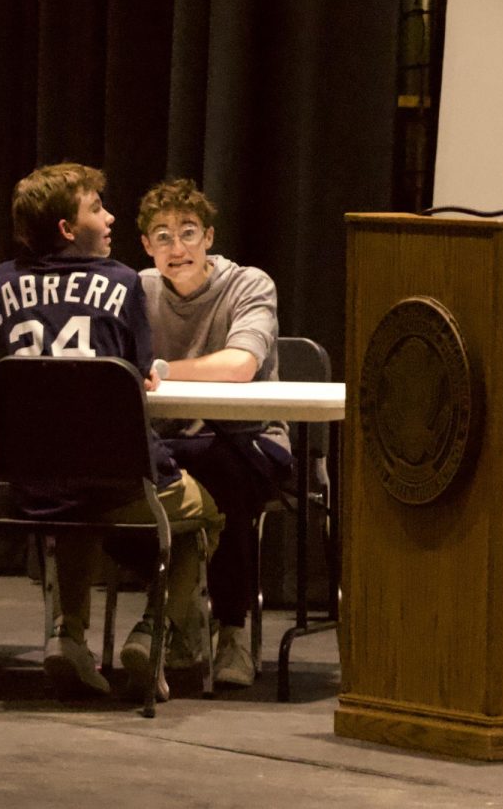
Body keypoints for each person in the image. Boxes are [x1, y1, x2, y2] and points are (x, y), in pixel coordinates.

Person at [0, 162, 224, 701]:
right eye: (97, 207)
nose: (110, 215)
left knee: (75, 501)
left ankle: (68, 636)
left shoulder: (0, 281)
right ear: (69, 230)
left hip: (29, 484)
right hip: (122, 484)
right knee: (206, 515)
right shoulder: (119, 281)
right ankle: (152, 633)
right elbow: (140, 377)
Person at [137, 178, 292, 688]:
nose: (176, 247)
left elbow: (241, 364)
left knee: (222, 474)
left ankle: (231, 632)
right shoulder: (138, 290)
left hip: (251, 438)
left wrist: (163, 367)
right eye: (162, 236)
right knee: (129, 477)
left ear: (208, 237)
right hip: (173, 442)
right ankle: (182, 625)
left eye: (187, 233)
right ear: (146, 246)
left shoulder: (248, 284)